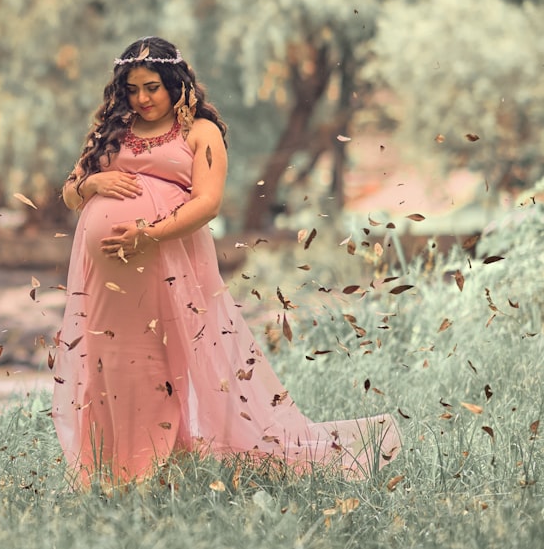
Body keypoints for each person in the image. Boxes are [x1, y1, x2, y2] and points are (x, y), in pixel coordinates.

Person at [53, 36, 400, 487]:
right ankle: (104, 469)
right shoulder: (113, 130)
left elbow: (208, 203)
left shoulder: (200, 131)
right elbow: (69, 191)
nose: (142, 98)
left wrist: (147, 234)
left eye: (153, 87)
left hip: (163, 265)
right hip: (105, 276)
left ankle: (152, 469)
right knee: (106, 359)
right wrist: (96, 185)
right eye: (133, 89)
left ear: (177, 83)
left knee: (155, 362)